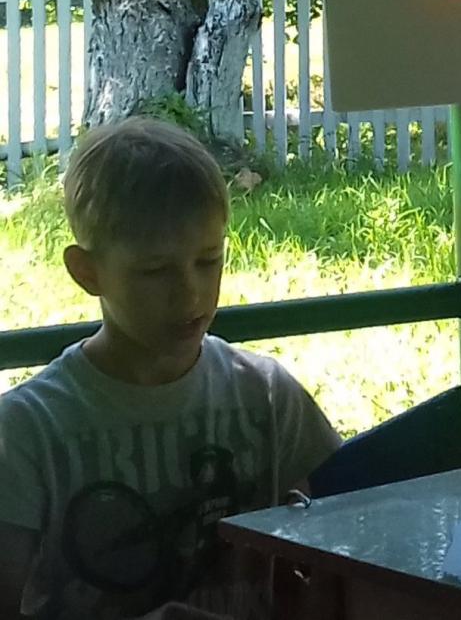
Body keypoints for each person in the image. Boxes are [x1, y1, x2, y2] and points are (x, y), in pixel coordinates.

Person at [0, 117, 343, 619]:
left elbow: (339, 548)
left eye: (208, 260)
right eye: (155, 270)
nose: (190, 292)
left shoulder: (268, 396)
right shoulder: (28, 431)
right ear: (87, 272)